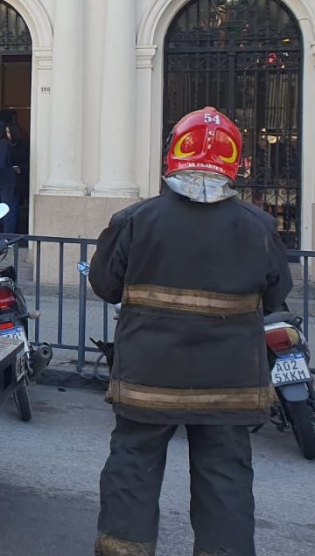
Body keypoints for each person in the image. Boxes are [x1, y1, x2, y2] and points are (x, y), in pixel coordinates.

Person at [88, 107, 292, 556]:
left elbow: (104, 285)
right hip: (230, 385)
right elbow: (277, 294)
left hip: (148, 380)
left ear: (173, 155)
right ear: (233, 162)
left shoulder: (136, 219)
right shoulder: (259, 227)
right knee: (225, 479)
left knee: (133, 468)